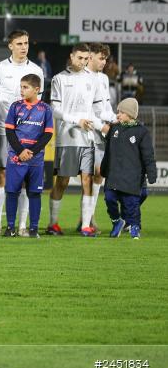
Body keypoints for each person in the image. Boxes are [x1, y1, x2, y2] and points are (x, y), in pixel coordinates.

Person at [0, 29, 44, 236]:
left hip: (28, 132)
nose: (24, 47)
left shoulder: (36, 70)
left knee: (26, 178)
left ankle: (22, 226)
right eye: (19, 43)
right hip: (4, 130)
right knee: (1, 174)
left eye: (26, 43)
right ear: (10, 46)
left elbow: (37, 102)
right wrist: (0, 118)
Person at [48, 43, 104, 237]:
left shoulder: (93, 80)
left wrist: (101, 125)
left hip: (87, 138)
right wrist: (76, 121)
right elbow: (55, 110)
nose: (83, 62)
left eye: (86, 58)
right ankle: (53, 224)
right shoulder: (59, 79)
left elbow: (96, 110)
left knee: (87, 180)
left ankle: (86, 225)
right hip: (67, 138)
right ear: (72, 57)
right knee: (62, 182)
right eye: (80, 58)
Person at [3, 74, 53, 238]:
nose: (22, 90)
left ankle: (34, 229)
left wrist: (32, 151)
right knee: (12, 192)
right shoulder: (15, 106)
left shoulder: (45, 109)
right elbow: (9, 131)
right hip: (16, 157)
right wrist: (20, 151)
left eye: (25, 87)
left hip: (35, 160)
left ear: (36, 89)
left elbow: (48, 134)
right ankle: (10, 228)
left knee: (34, 193)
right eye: (21, 87)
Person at [101, 98, 157, 240]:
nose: (118, 115)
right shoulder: (114, 129)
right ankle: (117, 222)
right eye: (118, 111)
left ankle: (135, 227)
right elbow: (108, 152)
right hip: (114, 175)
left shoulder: (142, 132)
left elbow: (148, 155)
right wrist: (104, 169)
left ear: (130, 114)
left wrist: (151, 173)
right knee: (109, 199)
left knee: (131, 205)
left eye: (121, 112)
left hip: (132, 177)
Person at [82, 42, 116, 233]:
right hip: (85, 132)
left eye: (105, 59)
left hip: (102, 132)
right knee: (87, 175)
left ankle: (88, 217)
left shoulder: (103, 78)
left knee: (98, 174)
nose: (104, 62)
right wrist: (101, 126)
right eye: (101, 58)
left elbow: (106, 107)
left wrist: (116, 118)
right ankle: (85, 220)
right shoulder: (82, 77)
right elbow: (85, 110)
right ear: (91, 56)